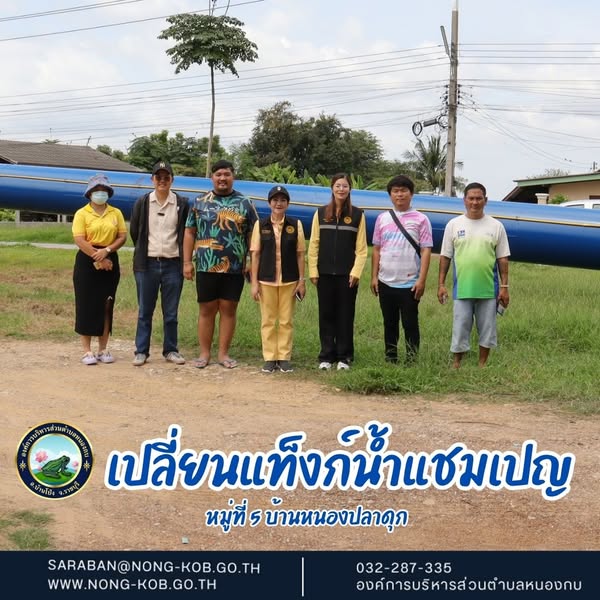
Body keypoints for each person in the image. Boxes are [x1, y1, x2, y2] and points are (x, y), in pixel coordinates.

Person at [183, 159, 258, 369]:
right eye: (218, 175)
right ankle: (204, 353)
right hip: (206, 265)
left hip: (235, 267)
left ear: (233, 177)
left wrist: (252, 261)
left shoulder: (245, 203)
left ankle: (223, 354)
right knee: (206, 309)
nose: (222, 178)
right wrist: (187, 262)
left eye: (227, 174)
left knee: (228, 308)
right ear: (212, 177)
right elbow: (189, 232)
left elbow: (254, 235)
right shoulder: (199, 201)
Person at [437, 182, 510, 368]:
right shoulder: (454, 225)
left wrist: (504, 287)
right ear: (464, 200)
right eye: (471, 198)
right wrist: (441, 284)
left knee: (487, 327)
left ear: (486, 200)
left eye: (479, 198)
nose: (475, 202)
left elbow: (502, 259)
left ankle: (482, 363)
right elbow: (445, 257)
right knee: (460, 325)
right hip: (462, 287)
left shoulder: (496, 226)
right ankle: (457, 362)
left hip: (489, 288)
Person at [129, 160, 190, 367]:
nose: (162, 181)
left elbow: (186, 232)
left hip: (173, 265)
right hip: (147, 265)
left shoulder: (182, 203)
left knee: (171, 313)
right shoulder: (143, 202)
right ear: (152, 179)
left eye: (166, 177)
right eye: (158, 177)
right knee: (145, 311)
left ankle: (171, 350)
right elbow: (135, 232)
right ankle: (141, 351)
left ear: (172, 180)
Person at [370, 175, 433, 364]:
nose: (399, 194)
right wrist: (374, 277)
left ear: (411, 194)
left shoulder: (421, 219)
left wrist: (421, 280)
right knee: (389, 323)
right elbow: (376, 249)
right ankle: (391, 358)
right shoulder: (382, 218)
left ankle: (412, 360)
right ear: (390, 195)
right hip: (385, 281)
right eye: (395, 191)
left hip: (410, 283)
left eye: (403, 190)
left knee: (410, 323)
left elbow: (426, 250)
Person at [308, 173, 367, 371]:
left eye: (345, 186)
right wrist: (313, 270)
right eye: (338, 186)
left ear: (350, 189)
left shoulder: (358, 215)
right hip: (324, 273)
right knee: (326, 315)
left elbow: (361, 249)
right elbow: (314, 243)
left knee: (345, 315)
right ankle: (326, 355)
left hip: (347, 275)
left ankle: (344, 356)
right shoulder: (320, 213)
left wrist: (356, 272)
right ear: (332, 188)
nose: (341, 189)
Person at [72, 173, 127, 365]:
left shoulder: (116, 213)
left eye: (104, 190)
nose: (100, 193)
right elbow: (79, 239)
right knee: (86, 303)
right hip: (87, 260)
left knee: (106, 303)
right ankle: (87, 350)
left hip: (110, 256)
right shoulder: (82, 213)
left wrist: (107, 251)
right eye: (97, 190)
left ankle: (103, 348)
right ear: (89, 193)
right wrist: (98, 257)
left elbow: (122, 236)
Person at [250, 185, 306, 373]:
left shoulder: (295, 224)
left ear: (287, 204)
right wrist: (254, 283)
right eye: (275, 200)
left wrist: (301, 281)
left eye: (283, 200)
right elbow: (255, 255)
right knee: (267, 320)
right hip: (266, 280)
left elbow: (300, 254)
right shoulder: (261, 225)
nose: (279, 203)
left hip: (289, 280)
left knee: (286, 321)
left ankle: (283, 357)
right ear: (269, 203)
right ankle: (269, 357)